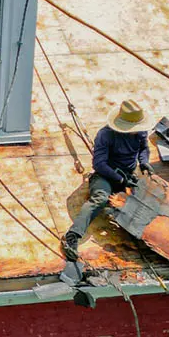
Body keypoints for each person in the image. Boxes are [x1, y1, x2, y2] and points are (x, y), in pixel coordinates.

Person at [61, 99, 151, 262]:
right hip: (106, 175)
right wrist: (119, 179)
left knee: (145, 202)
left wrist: (144, 163)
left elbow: (144, 148)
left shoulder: (140, 133)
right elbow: (99, 163)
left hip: (128, 176)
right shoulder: (106, 135)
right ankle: (72, 236)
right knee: (100, 199)